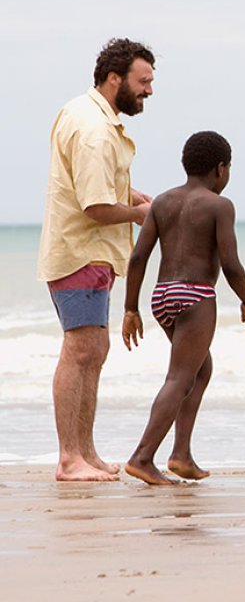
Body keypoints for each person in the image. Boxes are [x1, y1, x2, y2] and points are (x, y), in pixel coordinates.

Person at [37, 38, 156, 481]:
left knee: (95, 349)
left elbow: (94, 187)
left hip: (89, 253)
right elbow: (94, 207)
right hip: (80, 252)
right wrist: (140, 214)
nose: (148, 91)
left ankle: (85, 451)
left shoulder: (86, 114)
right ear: (114, 79)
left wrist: (130, 194)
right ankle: (70, 458)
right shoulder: (94, 129)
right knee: (81, 349)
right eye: (142, 81)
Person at [121, 131, 245, 485]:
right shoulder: (219, 206)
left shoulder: (162, 203)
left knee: (199, 369)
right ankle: (142, 456)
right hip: (196, 297)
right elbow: (231, 264)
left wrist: (130, 308)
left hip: (162, 296)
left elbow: (139, 256)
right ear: (220, 169)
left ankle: (181, 455)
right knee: (180, 377)